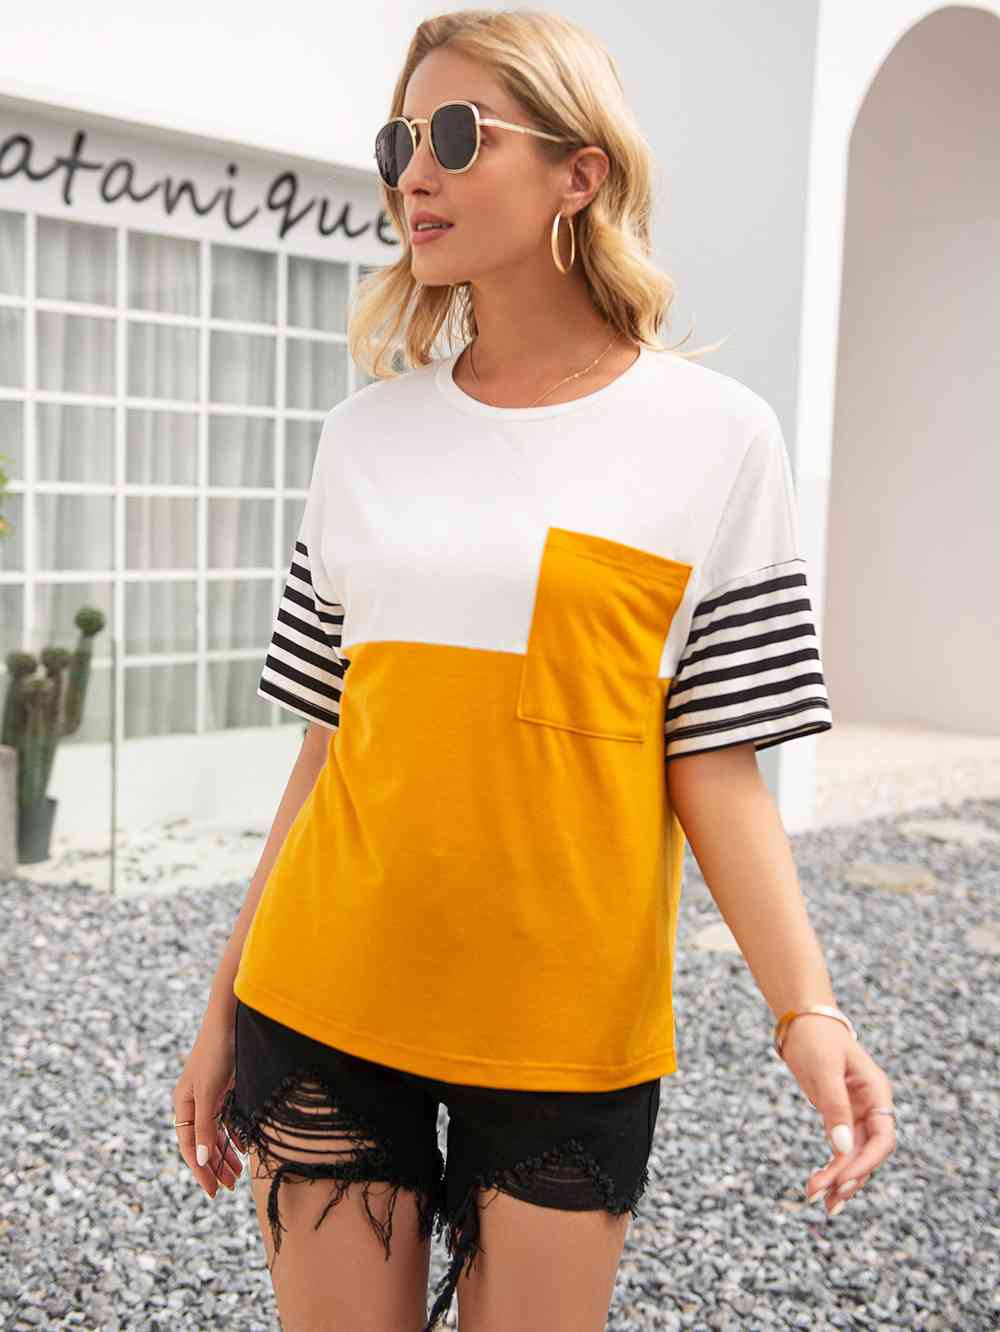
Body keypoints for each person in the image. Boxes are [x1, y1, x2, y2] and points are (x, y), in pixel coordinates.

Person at [171, 9, 897, 1331]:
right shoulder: (363, 439)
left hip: (567, 1027)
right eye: (401, 140)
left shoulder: (719, 440)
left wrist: (809, 1013)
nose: (415, 172)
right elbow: (328, 752)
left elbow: (717, 766)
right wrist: (221, 1007)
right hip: (323, 994)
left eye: (458, 135)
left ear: (581, 173)